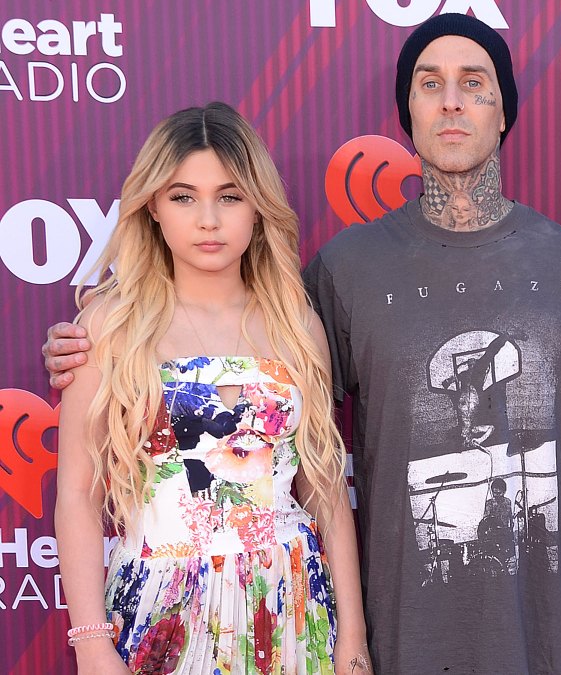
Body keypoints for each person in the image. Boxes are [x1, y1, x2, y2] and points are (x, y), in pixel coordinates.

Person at [47, 13, 561, 675]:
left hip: (358, 619)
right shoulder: (341, 272)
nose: (450, 100)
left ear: (505, 111)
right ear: (406, 112)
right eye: (429, 83)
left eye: (474, 83)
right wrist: (90, 340)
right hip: (245, 616)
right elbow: (89, 476)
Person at [53, 102, 369, 674]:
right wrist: (92, 643)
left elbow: (324, 487)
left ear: (257, 206)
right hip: (159, 604)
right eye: (183, 196)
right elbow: (75, 493)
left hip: (291, 604)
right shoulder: (108, 326)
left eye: (229, 195)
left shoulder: (295, 321)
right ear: (151, 205)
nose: (208, 219)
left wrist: (353, 635)